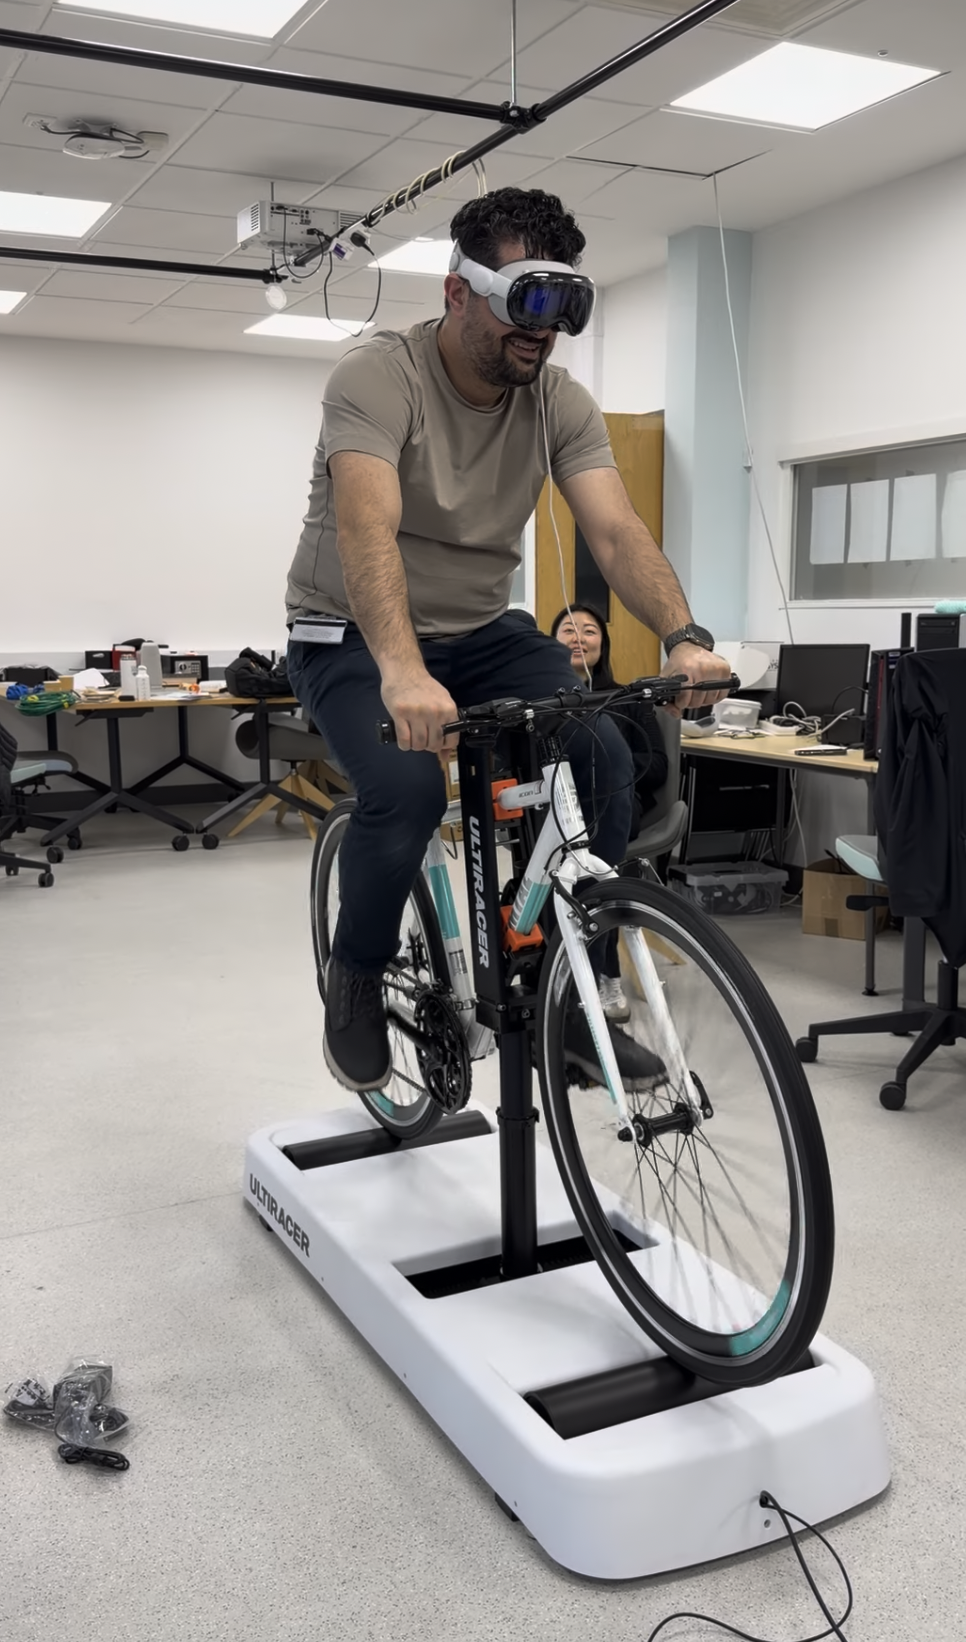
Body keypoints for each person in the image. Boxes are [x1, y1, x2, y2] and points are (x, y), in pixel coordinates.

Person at [284, 185, 730, 1095]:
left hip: (485, 629)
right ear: (457, 293)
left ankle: (557, 989)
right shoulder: (377, 377)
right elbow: (370, 531)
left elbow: (614, 531)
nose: (543, 332)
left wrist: (684, 637)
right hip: (355, 634)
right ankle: (358, 978)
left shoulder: (558, 400)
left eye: (563, 309)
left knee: (604, 762)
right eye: (525, 303)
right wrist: (404, 674)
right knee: (408, 792)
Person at [550, 602, 670, 1023]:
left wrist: (610, 770)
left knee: (595, 864)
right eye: (568, 629)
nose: (579, 637)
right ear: (552, 643)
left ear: (603, 642)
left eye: (589, 631)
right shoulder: (541, 704)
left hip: (615, 803)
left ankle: (603, 975)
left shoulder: (627, 698)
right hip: (559, 810)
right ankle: (562, 972)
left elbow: (656, 764)